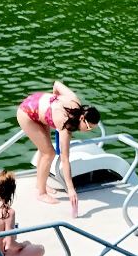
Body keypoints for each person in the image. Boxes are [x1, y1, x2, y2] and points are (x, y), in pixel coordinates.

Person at [14, 82, 101, 215]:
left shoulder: (75, 100)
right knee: (49, 153)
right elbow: (65, 159)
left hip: (40, 105)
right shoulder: (64, 123)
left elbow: (56, 84)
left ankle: (39, 183)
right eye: (88, 127)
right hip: (27, 113)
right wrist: (70, 189)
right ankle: (41, 193)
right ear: (82, 118)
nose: (88, 131)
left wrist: (53, 106)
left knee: (46, 151)